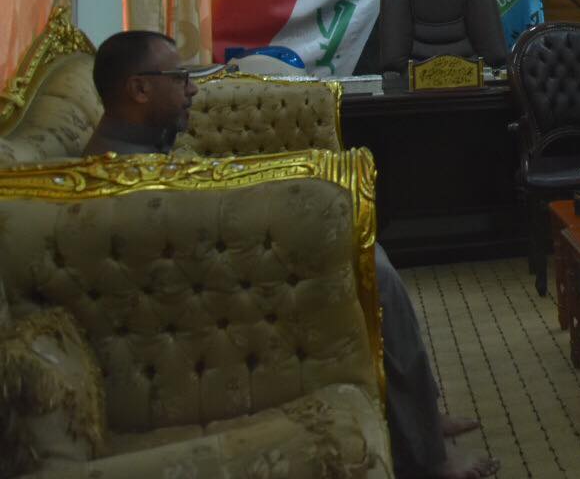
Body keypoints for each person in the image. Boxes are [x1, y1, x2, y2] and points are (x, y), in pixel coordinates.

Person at [88, 30, 498, 479]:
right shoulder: (121, 172)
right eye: (180, 77)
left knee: (369, 252)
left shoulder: (140, 141)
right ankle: (427, 457)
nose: (193, 89)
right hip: (220, 301)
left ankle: (422, 416)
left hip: (226, 269)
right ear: (139, 89)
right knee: (371, 267)